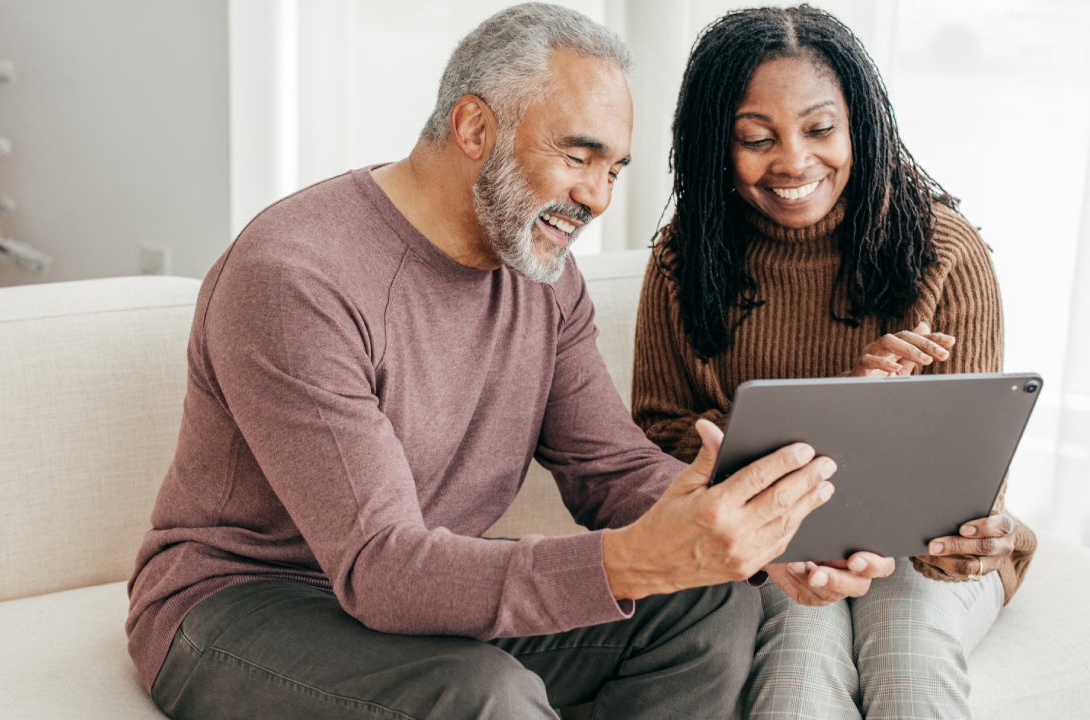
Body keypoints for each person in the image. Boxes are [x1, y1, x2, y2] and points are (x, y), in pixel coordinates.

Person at [125, 4, 855, 719]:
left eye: (614, 169)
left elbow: (610, 469)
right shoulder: (297, 278)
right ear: (474, 127)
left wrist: (769, 540)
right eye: (577, 156)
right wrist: (635, 559)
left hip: (425, 592)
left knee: (709, 599)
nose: (597, 198)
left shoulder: (542, 273)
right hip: (241, 607)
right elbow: (379, 567)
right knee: (483, 694)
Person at [631, 5, 1038, 718]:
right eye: (756, 139)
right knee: (797, 672)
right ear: (714, 147)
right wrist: (834, 420)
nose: (793, 161)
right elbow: (659, 439)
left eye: (820, 129)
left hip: (921, 553)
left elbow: (970, 480)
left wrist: (964, 536)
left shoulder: (945, 250)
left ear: (860, 126)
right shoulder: (682, 261)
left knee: (907, 652)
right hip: (777, 541)